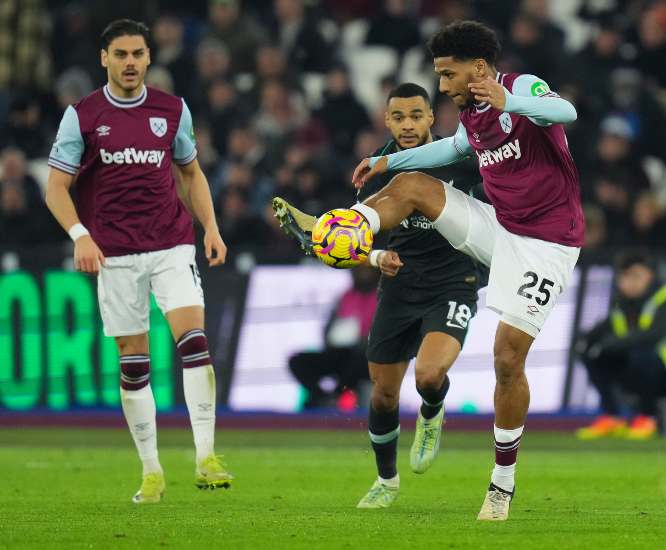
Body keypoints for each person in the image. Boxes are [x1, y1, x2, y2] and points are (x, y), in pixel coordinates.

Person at [275, 20, 582, 521]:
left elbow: (565, 110)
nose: (442, 85)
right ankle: (347, 225)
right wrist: (387, 165)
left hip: (547, 245)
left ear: (478, 69)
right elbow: (454, 149)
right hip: (499, 227)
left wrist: (511, 102)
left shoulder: (519, 88)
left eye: (447, 74)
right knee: (415, 181)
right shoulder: (473, 118)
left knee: (507, 358)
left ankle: (501, 485)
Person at [44, 19, 232, 504]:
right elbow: (56, 188)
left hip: (172, 242)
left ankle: (206, 457)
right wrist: (80, 235)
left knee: (193, 341)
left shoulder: (172, 110)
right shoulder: (82, 116)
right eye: (121, 54)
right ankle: (151, 471)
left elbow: (191, 174)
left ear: (150, 58)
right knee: (135, 364)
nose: (130, 63)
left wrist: (209, 227)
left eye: (138, 54)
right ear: (104, 58)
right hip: (115, 253)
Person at [276, 82, 483, 508]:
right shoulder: (378, 169)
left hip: (453, 283)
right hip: (400, 288)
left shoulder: (461, 161)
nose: (407, 125)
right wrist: (376, 259)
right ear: (386, 121)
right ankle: (386, 481)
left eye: (415, 116)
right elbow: (351, 242)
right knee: (383, 394)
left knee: (428, 375)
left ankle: (432, 409)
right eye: (398, 117)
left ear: (431, 118)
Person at [575, 251, 666, 440]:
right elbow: (600, 331)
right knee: (595, 355)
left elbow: (652, 335)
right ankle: (612, 416)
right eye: (625, 276)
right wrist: (585, 342)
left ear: (650, 276)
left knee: (641, 353)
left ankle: (647, 418)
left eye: (636, 275)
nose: (630, 282)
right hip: (644, 371)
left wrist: (614, 343)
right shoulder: (622, 305)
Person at [289, 265, 378, 409]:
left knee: (356, 362)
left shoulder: (382, 298)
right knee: (298, 361)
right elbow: (329, 328)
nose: (362, 274)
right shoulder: (346, 297)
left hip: (366, 357)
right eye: (359, 270)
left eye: (366, 270)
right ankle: (321, 396)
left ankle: (337, 397)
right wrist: (332, 339)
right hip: (340, 352)